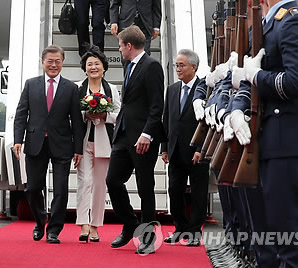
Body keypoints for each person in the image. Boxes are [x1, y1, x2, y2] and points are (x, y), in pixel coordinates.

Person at [231, 0, 298, 266]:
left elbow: (297, 83)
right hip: (266, 140)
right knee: (267, 230)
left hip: (288, 139)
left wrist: (256, 75)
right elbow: (249, 83)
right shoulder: (264, 26)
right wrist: (235, 111)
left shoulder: (292, 21)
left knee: (290, 231)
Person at [13, 45, 84, 244]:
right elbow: (21, 114)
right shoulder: (31, 84)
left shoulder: (71, 88)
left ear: (62, 62)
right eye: (50, 61)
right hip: (35, 143)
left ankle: (54, 230)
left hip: (62, 144)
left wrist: (78, 148)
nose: (54, 65)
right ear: (42, 62)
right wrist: (18, 139)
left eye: (58, 61)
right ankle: (40, 220)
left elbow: (77, 121)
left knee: (61, 189)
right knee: (33, 188)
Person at [105, 25, 165, 254]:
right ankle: (130, 224)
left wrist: (147, 133)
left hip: (143, 138)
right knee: (113, 181)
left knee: (145, 187)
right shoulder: (129, 66)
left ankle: (148, 235)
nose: (119, 49)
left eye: (120, 45)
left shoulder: (152, 66)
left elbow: (156, 105)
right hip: (123, 135)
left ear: (129, 45)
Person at [161, 49, 209, 247]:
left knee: (198, 192)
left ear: (194, 67)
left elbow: (207, 122)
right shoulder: (172, 89)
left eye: (181, 65)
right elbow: (167, 120)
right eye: (176, 65)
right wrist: (164, 147)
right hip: (175, 150)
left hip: (197, 151)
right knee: (174, 190)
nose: (178, 69)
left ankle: (195, 231)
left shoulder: (205, 88)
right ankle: (179, 227)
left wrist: (201, 148)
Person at [76, 46, 120, 242]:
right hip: (84, 142)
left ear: (104, 67)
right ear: (84, 68)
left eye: (97, 64)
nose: (93, 67)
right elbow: (71, 116)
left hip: (104, 142)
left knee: (100, 184)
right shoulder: (77, 88)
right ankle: (83, 224)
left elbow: (119, 115)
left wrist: (105, 115)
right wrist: (85, 114)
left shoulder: (112, 89)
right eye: (89, 64)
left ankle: (95, 226)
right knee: (84, 182)